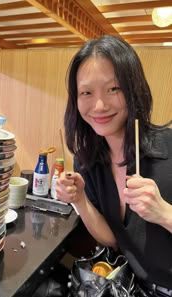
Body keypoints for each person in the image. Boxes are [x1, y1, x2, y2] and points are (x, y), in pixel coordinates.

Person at [56, 35, 172, 295]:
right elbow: (113, 240)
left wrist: (164, 213)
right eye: (86, 92)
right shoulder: (89, 162)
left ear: (133, 89)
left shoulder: (169, 147)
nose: (99, 105)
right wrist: (80, 199)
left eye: (113, 89)